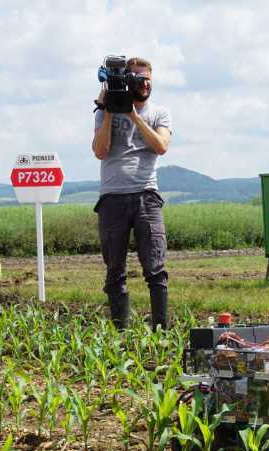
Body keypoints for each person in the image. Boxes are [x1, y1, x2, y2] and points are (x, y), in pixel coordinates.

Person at [92, 56, 172, 330]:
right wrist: (110, 111)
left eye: (147, 78)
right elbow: (100, 151)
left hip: (146, 196)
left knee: (155, 268)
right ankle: (120, 335)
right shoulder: (105, 112)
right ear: (127, 81)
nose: (144, 83)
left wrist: (134, 116)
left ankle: (160, 331)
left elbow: (161, 145)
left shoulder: (159, 113)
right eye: (137, 78)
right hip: (112, 198)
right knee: (115, 270)